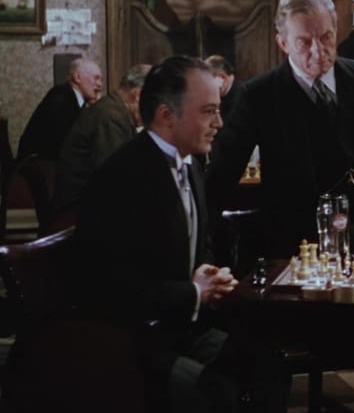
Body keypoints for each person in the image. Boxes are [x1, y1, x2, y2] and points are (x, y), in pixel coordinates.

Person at [73, 56, 287, 413]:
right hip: (130, 338)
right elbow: (110, 286)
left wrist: (207, 272)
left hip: (180, 325)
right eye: (208, 111)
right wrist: (193, 292)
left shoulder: (191, 165)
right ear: (166, 115)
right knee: (214, 392)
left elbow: (199, 246)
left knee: (268, 365)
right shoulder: (121, 178)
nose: (219, 123)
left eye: (218, 110)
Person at [207, 0, 354, 259]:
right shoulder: (258, 95)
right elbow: (221, 176)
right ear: (283, 43)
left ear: (336, 31)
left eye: (326, 37)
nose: (318, 50)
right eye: (304, 42)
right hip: (302, 246)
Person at [51, 63, 151, 213]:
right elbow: (116, 179)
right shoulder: (111, 116)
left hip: (87, 202)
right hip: (78, 210)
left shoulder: (113, 109)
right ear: (138, 96)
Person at [17, 58, 103, 160]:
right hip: (38, 165)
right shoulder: (61, 99)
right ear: (78, 77)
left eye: (101, 80)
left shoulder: (73, 98)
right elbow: (74, 144)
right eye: (96, 78)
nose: (100, 84)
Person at [204, 55, 245, 121]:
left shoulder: (243, 96)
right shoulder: (222, 94)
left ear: (222, 77)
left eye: (208, 81)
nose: (206, 87)